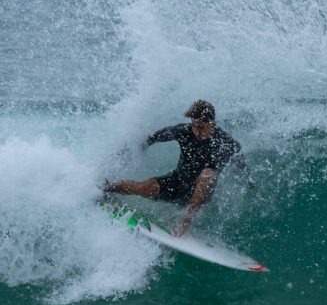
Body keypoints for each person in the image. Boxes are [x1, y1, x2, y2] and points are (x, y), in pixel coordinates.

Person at [103, 100, 248, 237]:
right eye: (194, 126)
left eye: (201, 127)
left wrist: (247, 183)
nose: (196, 131)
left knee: (207, 174)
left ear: (212, 124)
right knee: (146, 187)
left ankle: (185, 223)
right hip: (178, 184)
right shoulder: (183, 131)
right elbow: (152, 138)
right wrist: (135, 148)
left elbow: (241, 168)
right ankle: (105, 187)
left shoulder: (226, 143)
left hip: (199, 195)